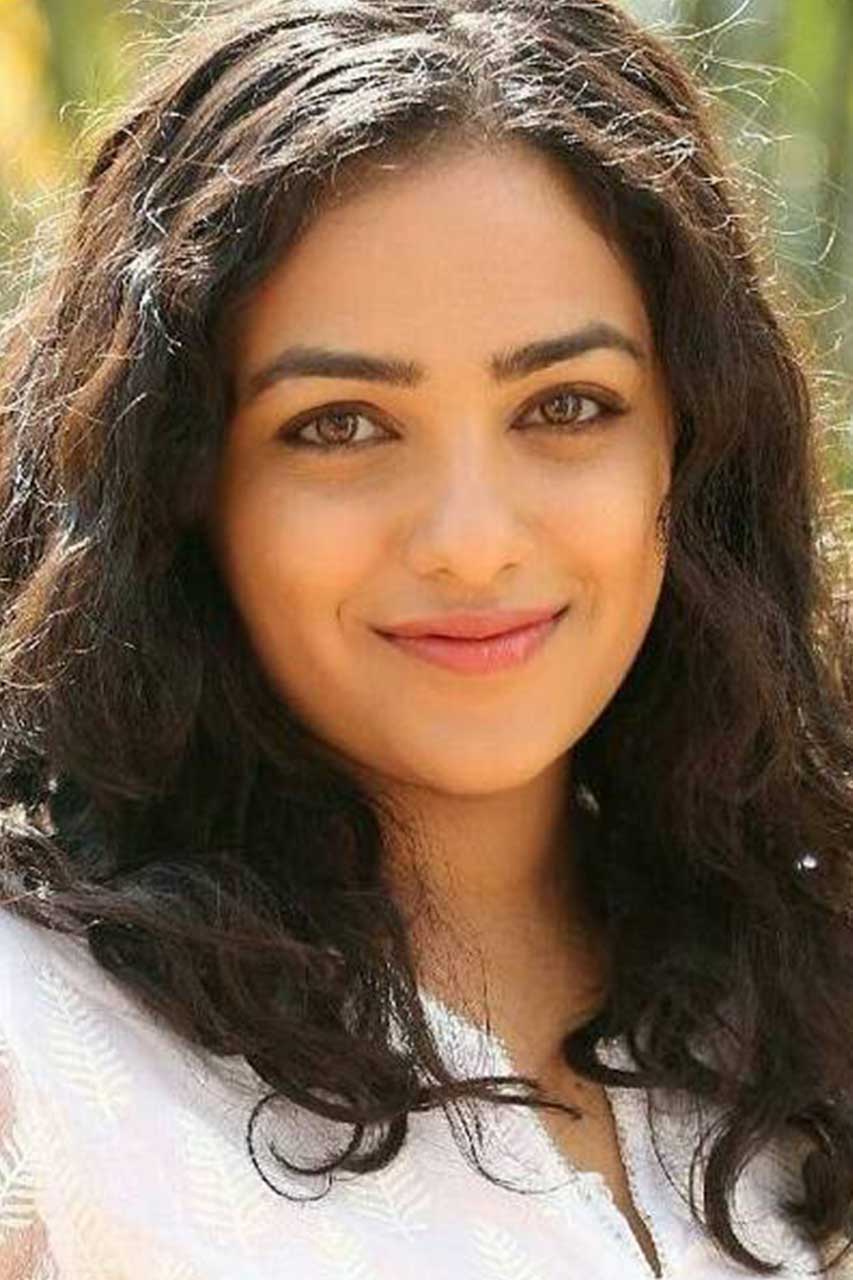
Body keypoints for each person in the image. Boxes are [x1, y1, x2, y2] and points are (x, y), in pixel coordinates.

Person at [0, 0, 851, 1275]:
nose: (471, 541)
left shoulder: (803, 977)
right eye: (338, 424)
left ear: (692, 445)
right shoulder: (38, 1056)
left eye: (567, 405)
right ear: (177, 483)